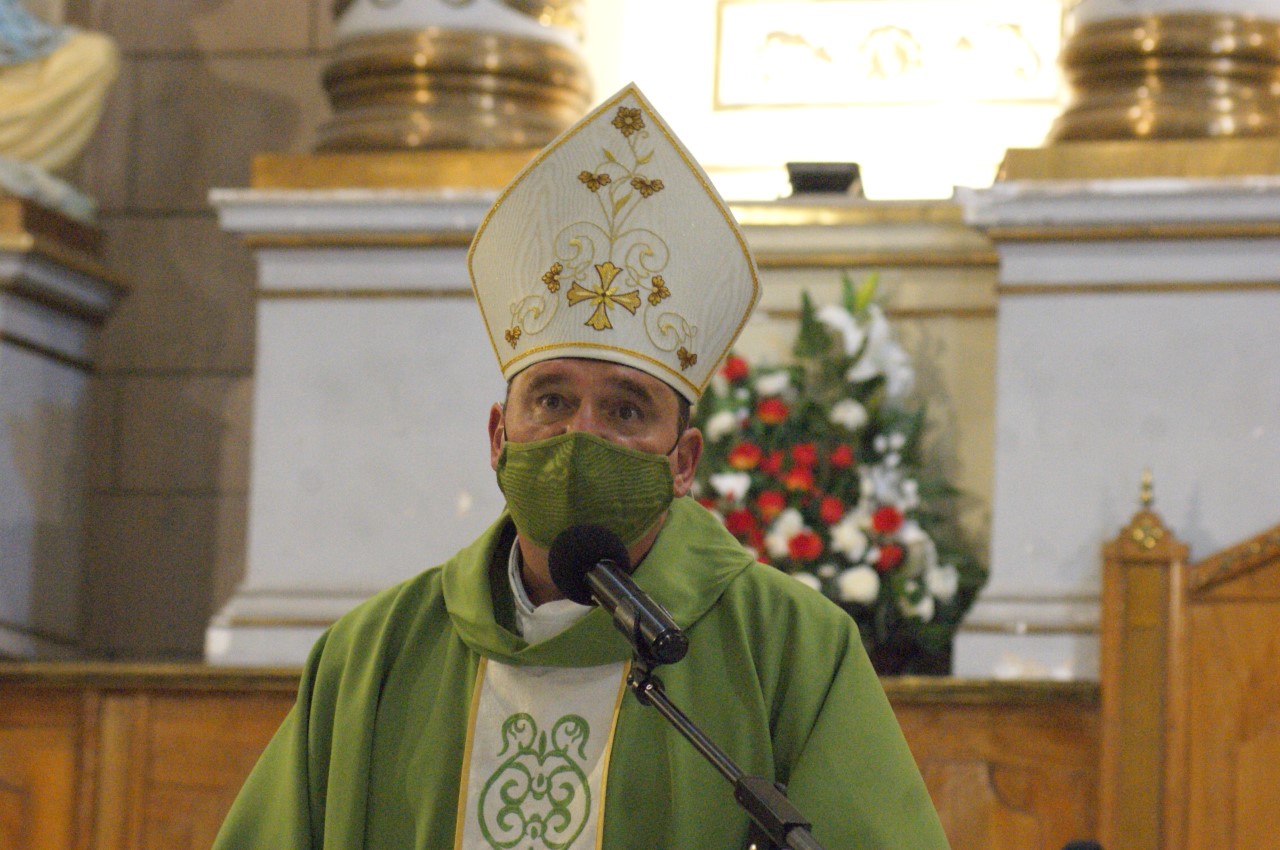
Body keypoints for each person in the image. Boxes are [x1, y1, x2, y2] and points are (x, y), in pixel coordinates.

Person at [212, 84, 950, 850]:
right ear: (498, 435)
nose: (579, 436)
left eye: (625, 410)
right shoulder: (372, 658)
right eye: (552, 400)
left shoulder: (788, 649)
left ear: (683, 461)